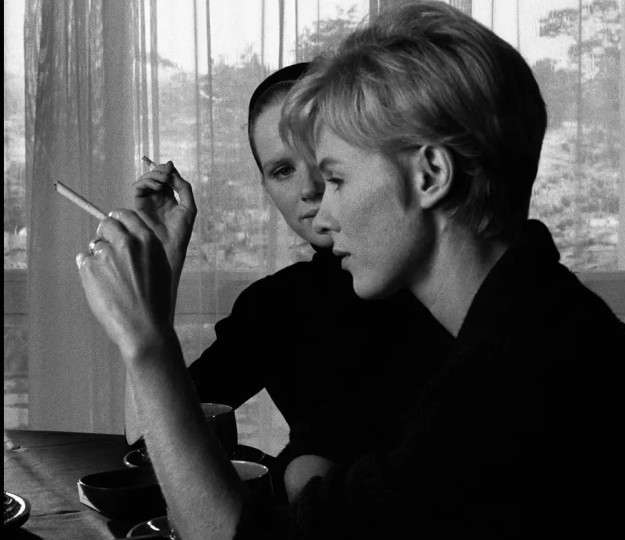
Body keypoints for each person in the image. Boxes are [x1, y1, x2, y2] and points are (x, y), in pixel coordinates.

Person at [77, 2, 625, 539]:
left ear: (430, 174)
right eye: (286, 171)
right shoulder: (539, 315)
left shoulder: (512, 376)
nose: (322, 208)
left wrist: (147, 343)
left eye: (337, 177)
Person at [124, 62, 454, 503]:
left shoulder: (449, 285)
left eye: (324, 159)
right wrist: (159, 273)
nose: (311, 187)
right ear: (265, 187)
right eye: (282, 170)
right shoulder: (277, 305)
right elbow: (149, 437)